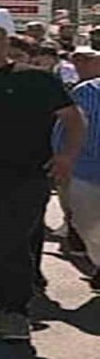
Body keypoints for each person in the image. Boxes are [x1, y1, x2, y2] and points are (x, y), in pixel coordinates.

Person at [0, 22, 86, 341]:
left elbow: (73, 118)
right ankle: (6, 302)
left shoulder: (35, 79)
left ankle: (15, 311)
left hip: (26, 175)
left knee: (11, 240)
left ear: (3, 43)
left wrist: (66, 156)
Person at [56, 72, 100, 293]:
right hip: (87, 171)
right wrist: (61, 158)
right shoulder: (87, 91)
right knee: (87, 224)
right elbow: (65, 127)